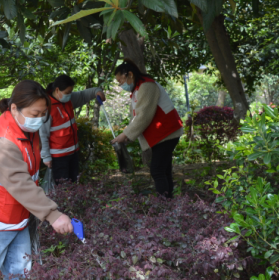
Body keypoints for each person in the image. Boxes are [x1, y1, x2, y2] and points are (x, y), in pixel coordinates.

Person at [0, 80, 74, 280]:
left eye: (44, 115)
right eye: (35, 114)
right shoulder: (2, 142)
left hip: (17, 219)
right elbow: (21, 184)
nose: (40, 120)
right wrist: (53, 214)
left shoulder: (27, 131)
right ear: (14, 108)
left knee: (20, 273)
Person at [111, 59, 184, 198]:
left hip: (167, 133)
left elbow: (144, 116)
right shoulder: (138, 88)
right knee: (164, 170)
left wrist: (125, 134)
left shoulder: (147, 86)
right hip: (162, 134)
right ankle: (169, 204)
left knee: (157, 171)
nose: (120, 85)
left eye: (121, 81)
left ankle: (164, 205)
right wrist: (127, 135)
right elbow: (137, 117)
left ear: (130, 74)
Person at [39, 75, 106, 183]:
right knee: (63, 188)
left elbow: (83, 95)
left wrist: (97, 91)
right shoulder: (47, 108)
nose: (69, 95)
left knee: (74, 184)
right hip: (59, 157)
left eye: (71, 92)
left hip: (73, 152)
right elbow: (43, 134)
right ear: (57, 90)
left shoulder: (69, 99)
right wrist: (46, 157)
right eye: (67, 92)